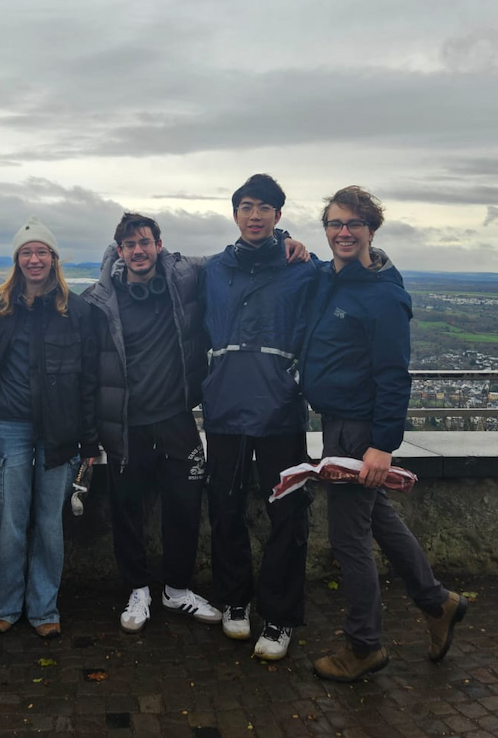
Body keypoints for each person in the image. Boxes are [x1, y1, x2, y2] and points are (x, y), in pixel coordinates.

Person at [302, 186, 465, 682]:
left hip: (358, 430)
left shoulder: (384, 296)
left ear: (372, 229)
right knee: (381, 520)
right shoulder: (335, 278)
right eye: (334, 224)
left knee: (348, 539)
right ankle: (437, 603)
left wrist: (381, 447)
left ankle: (365, 645)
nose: (343, 232)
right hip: (339, 421)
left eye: (353, 224)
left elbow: (394, 376)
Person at [80, 212, 220, 632]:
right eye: (129, 245)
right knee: (127, 509)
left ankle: (176, 590)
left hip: (177, 418)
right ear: (119, 250)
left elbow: (233, 258)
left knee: (186, 505)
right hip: (126, 425)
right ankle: (137, 588)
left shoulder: (184, 279)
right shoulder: (99, 301)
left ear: (159, 245)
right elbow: (87, 371)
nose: (138, 251)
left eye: (145, 242)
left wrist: (285, 240)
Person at [201, 173, 314, 661]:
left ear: (278, 217)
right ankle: (235, 601)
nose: (254, 215)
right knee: (224, 511)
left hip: (279, 412)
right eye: (246, 206)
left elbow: (358, 275)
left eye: (264, 208)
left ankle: (281, 615)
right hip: (225, 408)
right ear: (234, 214)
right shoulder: (213, 269)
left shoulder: (302, 268)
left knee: (288, 516)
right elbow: (143, 260)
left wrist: (296, 245)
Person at [0, 216, 98, 638]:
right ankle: (5, 605)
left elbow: (89, 381)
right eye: (26, 252)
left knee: (49, 522)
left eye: (41, 251)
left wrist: (90, 438)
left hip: (59, 432)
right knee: (9, 520)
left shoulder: (77, 311)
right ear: (16, 260)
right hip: (7, 427)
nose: (34, 258)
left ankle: (44, 609)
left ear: (54, 258)